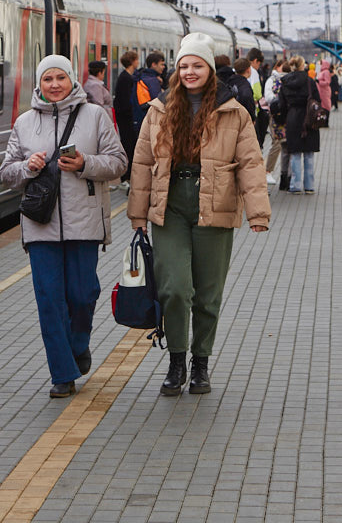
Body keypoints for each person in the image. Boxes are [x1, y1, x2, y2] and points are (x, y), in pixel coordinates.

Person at [129, 32, 270, 396]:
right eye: (184, 66)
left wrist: (258, 212)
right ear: (176, 71)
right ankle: (177, 361)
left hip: (216, 202)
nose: (190, 72)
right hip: (170, 205)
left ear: (209, 69)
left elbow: (251, 163)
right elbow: (142, 162)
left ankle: (201, 363)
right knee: (175, 288)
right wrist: (137, 214)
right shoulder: (159, 109)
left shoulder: (234, 111)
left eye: (197, 65)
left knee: (208, 293)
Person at [1, 55, 127, 398]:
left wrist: (85, 163)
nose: (54, 85)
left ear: (72, 80)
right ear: (39, 84)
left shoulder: (95, 116)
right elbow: (7, 173)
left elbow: (119, 163)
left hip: (84, 222)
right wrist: (27, 167)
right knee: (49, 300)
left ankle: (78, 344)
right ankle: (62, 373)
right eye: (47, 79)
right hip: (40, 225)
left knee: (82, 295)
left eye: (60, 78)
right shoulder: (24, 122)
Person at [278, 56, 321, 194]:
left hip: (292, 118)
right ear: (303, 66)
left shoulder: (285, 82)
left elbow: (281, 104)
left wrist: (283, 119)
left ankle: (295, 186)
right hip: (309, 118)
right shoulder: (310, 81)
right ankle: (309, 186)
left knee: (295, 153)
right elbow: (318, 100)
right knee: (309, 153)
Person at [112, 50, 140, 185]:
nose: (138, 62)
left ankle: (128, 175)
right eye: (136, 60)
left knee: (129, 144)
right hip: (126, 118)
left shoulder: (126, 77)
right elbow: (125, 100)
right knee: (128, 145)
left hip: (125, 117)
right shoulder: (126, 78)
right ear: (132, 61)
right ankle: (126, 176)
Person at [263, 59, 289, 187]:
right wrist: (280, 99)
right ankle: (267, 170)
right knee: (277, 142)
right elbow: (267, 96)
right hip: (276, 115)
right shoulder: (272, 80)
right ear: (277, 67)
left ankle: (285, 174)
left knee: (285, 144)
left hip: (287, 115)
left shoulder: (288, 79)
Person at [215, 54, 257, 120]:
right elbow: (248, 102)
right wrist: (253, 118)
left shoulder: (229, 82)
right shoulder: (245, 86)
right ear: (248, 70)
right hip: (242, 119)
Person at [134, 52, 166, 130]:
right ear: (154, 64)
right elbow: (158, 102)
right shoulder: (152, 80)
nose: (164, 67)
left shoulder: (142, 76)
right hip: (150, 117)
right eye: (161, 64)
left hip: (140, 116)